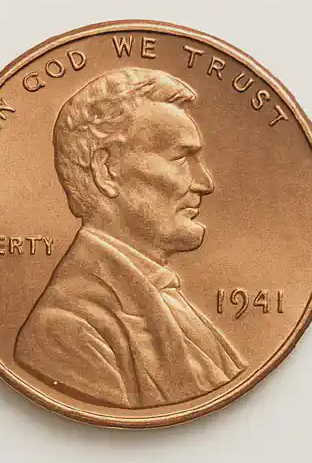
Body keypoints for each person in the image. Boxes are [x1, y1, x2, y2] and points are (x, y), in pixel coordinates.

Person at [14, 67, 245, 408]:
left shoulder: (161, 296)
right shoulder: (66, 328)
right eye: (181, 158)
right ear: (106, 170)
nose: (204, 182)